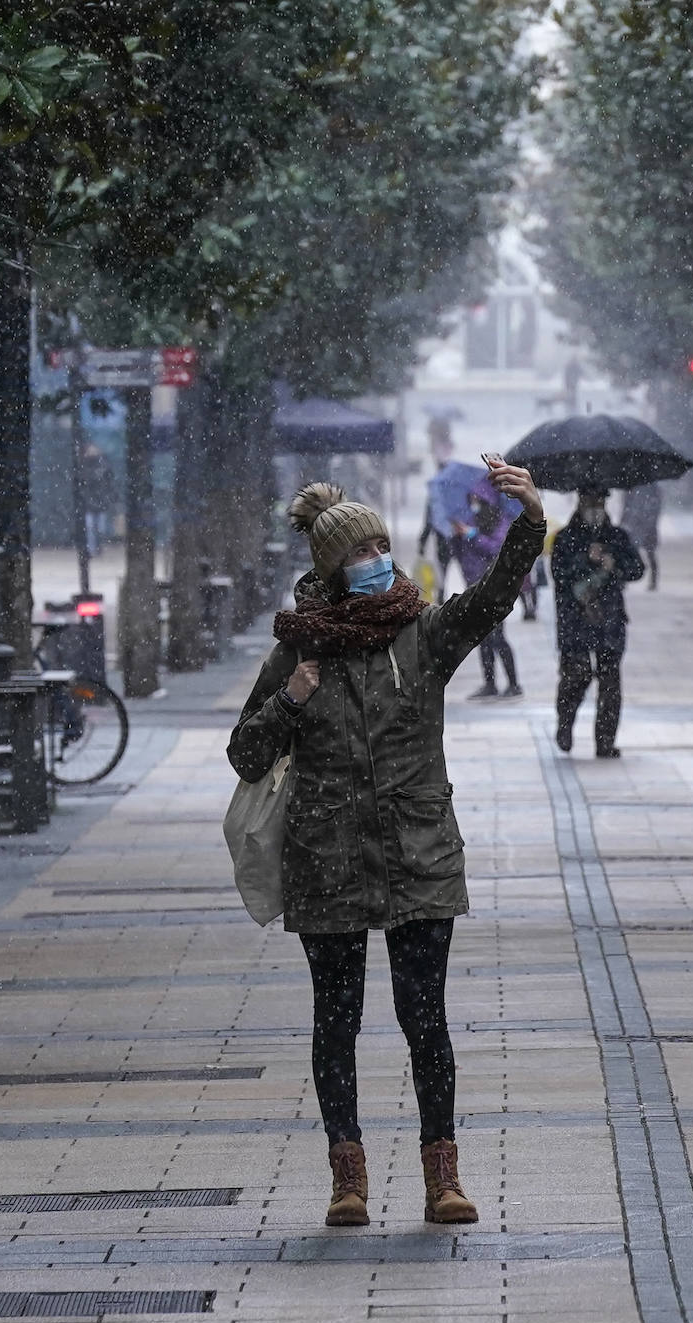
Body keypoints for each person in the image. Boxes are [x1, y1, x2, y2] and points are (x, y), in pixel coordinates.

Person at [228, 460, 546, 1229]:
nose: (375, 558)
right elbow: (244, 753)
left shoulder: (423, 635)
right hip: (326, 858)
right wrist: (292, 699)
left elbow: (494, 597)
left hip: (418, 852)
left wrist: (529, 518)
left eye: (379, 543)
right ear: (332, 569)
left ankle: (443, 1178)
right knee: (336, 1021)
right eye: (358, 550)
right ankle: (348, 1179)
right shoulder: (300, 651)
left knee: (424, 1017)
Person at [551, 487, 645, 758]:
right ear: (580, 503)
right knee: (574, 677)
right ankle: (565, 723)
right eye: (590, 502)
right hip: (575, 621)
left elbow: (637, 569)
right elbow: (560, 575)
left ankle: (605, 741)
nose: (595, 507)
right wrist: (585, 562)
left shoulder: (616, 537)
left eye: (600, 502)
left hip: (609, 620)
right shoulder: (565, 538)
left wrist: (612, 564)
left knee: (610, 683)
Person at [455, 480, 523, 700]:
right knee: (482, 637)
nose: (474, 505)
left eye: (477, 501)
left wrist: (473, 536)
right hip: (475, 587)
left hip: (495, 588)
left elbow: (497, 549)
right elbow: (463, 554)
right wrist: (458, 536)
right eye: (471, 500)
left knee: (497, 636)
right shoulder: (471, 521)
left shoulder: (499, 523)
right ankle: (490, 683)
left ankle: (514, 684)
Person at [620, 483, 662, 590]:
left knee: (649, 554)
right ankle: (625, 580)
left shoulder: (650, 487)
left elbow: (656, 505)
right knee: (633, 553)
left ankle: (653, 581)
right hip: (636, 524)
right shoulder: (634, 487)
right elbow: (626, 505)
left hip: (645, 525)